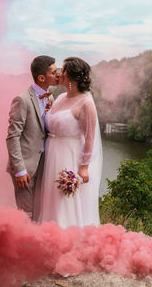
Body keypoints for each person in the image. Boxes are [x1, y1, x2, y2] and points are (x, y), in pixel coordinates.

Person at [38, 57, 103, 228]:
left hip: (70, 156)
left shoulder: (85, 104)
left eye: (62, 69)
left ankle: (67, 237)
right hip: (52, 154)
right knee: (51, 198)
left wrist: (83, 167)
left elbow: (90, 138)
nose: (59, 73)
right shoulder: (59, 98)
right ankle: (49, 234)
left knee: (65, 200)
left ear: (71, 76)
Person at [6, 55, 59, 220]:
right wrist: (20, 169)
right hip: (25, 168)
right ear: (42, 77)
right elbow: (12, 136)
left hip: (44, 164)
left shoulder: (50, 97)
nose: (58, 74)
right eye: (54, 72)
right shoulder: (22, 100)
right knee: (26, 216)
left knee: (39, 213)